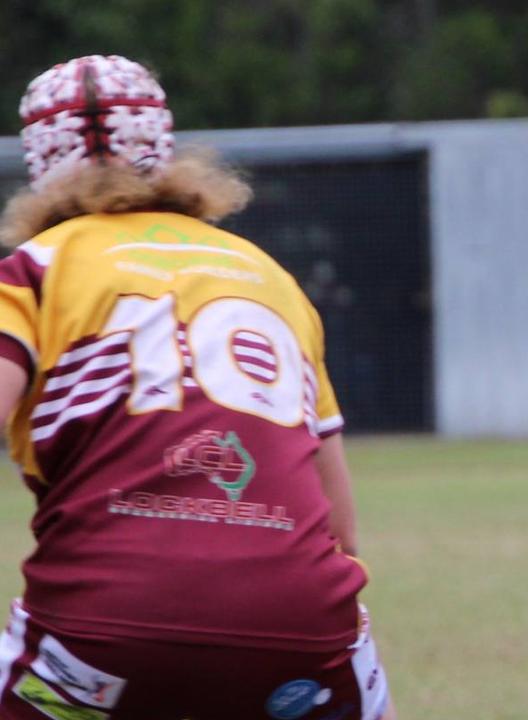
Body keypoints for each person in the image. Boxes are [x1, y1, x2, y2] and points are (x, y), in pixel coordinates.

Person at [0, 55, 394, 719]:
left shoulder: (32, 272)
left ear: (39, 167)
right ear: (165, 151)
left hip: (99, 640)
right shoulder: (270, 278)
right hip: (302, 638)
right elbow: (342, 530)